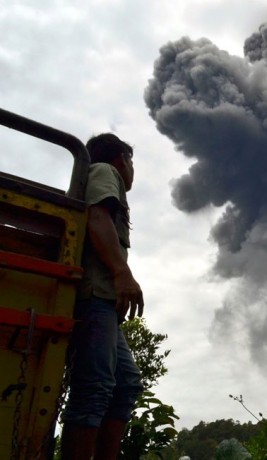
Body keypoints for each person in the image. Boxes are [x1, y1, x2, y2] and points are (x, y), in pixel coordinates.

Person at [61, 133, 145, 460]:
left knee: (125, 385)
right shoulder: (104, 173)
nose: (133, 169)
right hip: (94, 294)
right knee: (94, 387)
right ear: (121, 159)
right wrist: (122, 273)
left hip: (105, 301)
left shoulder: (100, 176)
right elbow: (98, 218)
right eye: (132, 161)